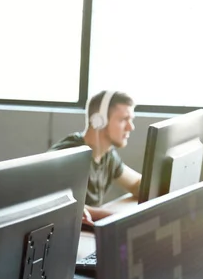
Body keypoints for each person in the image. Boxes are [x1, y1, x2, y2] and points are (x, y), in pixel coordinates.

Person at [50, 90, 141, 223]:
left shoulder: (107, 155)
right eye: (123, 119)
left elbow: (136, 184)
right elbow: (56, 204)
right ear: (99, 120)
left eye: (131, 120)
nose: (130, 127)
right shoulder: (69, 154)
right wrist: (113, 216)